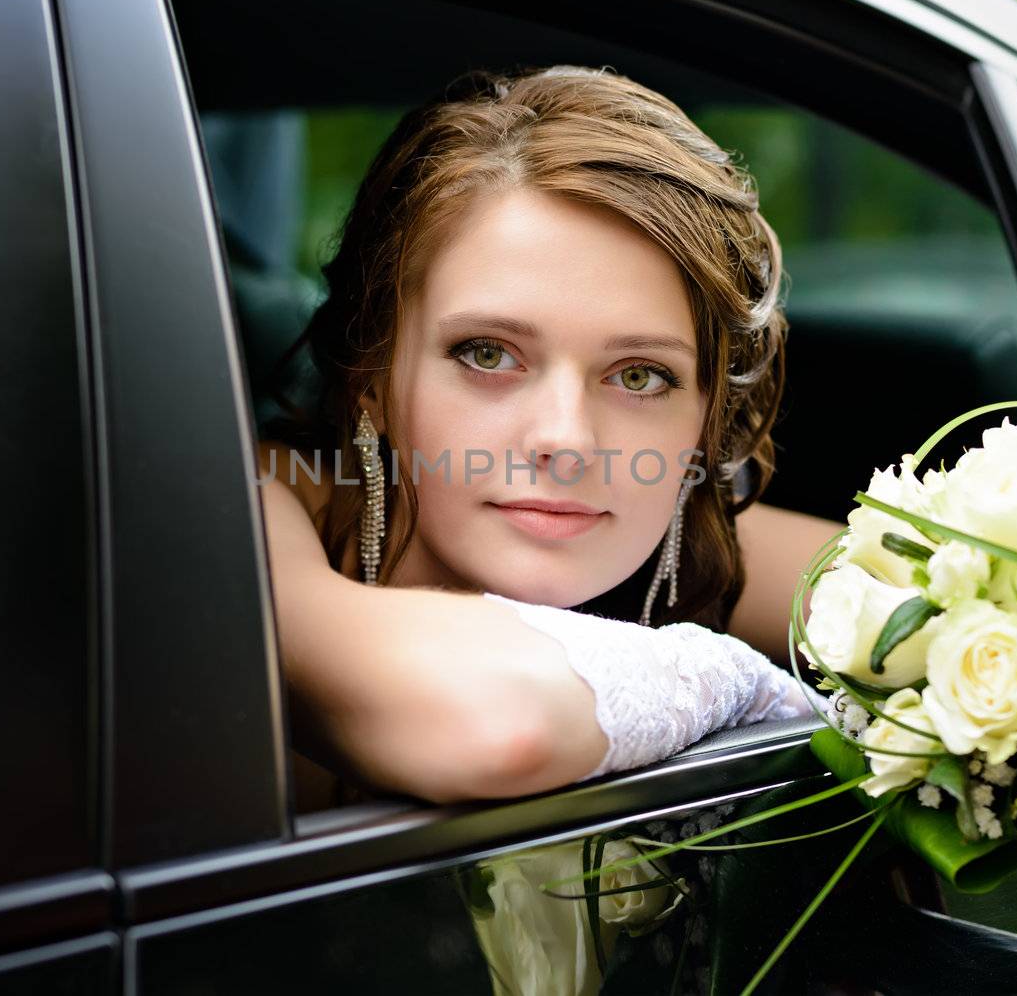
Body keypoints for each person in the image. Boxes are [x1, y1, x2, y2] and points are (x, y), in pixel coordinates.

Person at [255, 65, 843, 812]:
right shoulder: (250, 506)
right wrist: (741, 683)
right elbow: (497, 720)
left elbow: (973, 596)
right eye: (488, 354)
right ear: (372, 372)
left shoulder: (686, 526)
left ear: (701, 426)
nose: (566, 442)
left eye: (638, 377)